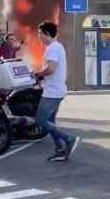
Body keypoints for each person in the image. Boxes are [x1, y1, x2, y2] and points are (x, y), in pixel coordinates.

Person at [33, 22, 81, 162]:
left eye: (40, 33)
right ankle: (59, 149)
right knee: (50, 121)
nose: (39, 36)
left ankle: (68, 139)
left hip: (52, 93)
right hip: (56, 90)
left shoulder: (52, 48)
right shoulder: (58, 47)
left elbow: (51, 69)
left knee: (40, 121)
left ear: (47, 34)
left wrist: (36, 74)